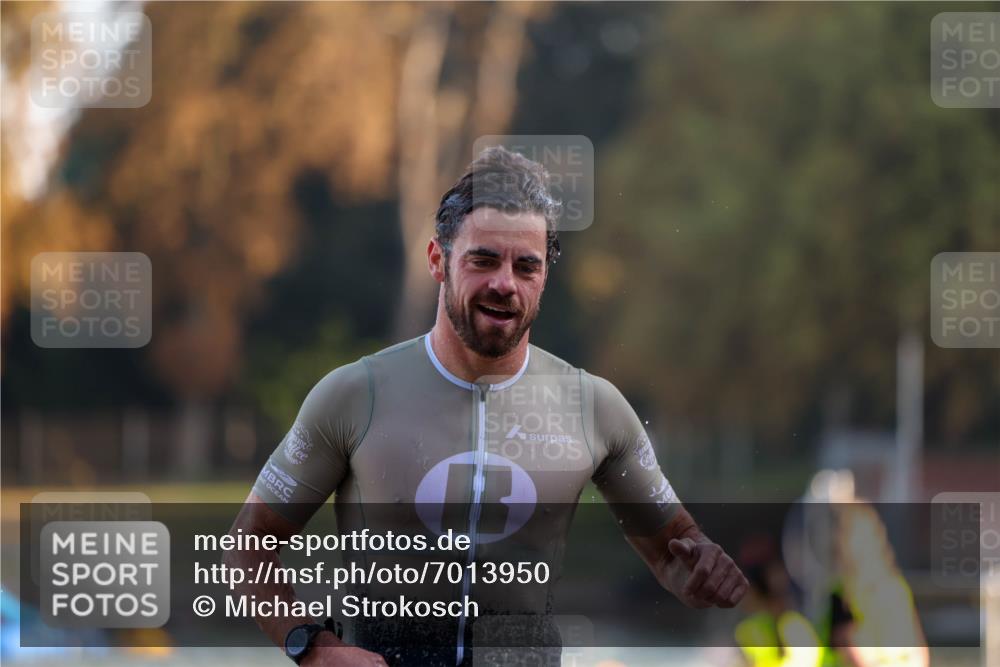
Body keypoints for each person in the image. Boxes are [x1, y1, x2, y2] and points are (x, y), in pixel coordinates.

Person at [225, 146, 748, 666]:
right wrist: (313, 647)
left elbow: (674, 551)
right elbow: (246, 547)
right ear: (438, 261)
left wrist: (700, 572)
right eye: (483, 260)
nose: (504, 283)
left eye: (526, 266)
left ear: (544, 277)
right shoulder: (355, 395)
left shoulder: (594, 407)